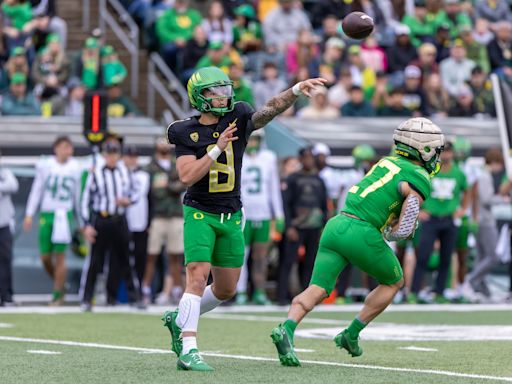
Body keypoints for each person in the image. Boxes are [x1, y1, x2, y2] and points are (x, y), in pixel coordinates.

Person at [162, 66, 325, 371]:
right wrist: (216, 148)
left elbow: (269, 110)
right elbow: (186, 176)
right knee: (197, 277)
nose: (224, 96)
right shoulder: (186, 131)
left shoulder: (238, 116)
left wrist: (294, 90)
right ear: (199, 97)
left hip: (232, 213)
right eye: (215, 91)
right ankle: (189, 347)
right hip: (200, 211)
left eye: (225, 89)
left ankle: (178, 318)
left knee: (225, 289)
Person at [271, 117, 444, 365]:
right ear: (423, 148)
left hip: (337, 224)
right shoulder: (418, 174)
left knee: (318, 288)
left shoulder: (387, 161)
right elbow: (409, 211)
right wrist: (395, 232)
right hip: (362, 231)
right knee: (394, 282)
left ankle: (287, 328)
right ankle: (351, 334)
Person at [79, 140, 140, 311]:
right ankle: (86, 299)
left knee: (126, 259)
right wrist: (86, 225)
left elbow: (136, 190)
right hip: (102, 220)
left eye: (115, 153)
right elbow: (85, 201)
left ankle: (135, 297)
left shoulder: (124, 172)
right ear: (105, 155)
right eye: (109, 153)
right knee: (95, 261)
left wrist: (128, 200)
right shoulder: (95, 173)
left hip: (119, 219)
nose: (112, 157)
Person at [409, 141, 469, 304]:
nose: (446, 155)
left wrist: (462, 209)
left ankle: (440, 292)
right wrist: (419, 211)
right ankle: (414, 291)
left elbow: (468, 190)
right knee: (423, 256)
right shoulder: (429, 172)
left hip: (449, 218)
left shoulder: (458, 173)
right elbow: (415, 190)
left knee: (446, 257)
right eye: (443, 152)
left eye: (449, 152)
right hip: (431, 218)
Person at [24, 136, 81, 305]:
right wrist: (29, 214)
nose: (67, 150)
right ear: (56, 148)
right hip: (47, 213)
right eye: (64, 147)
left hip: (64, 214)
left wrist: (82, 220)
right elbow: (37, 190)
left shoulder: (75, 167)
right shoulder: (46, 165)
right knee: (45, 257)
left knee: (60, 256)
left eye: (69, 147)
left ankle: (57, 295)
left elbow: (78, 196)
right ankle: (60, 285)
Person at [236, 130, 284, 305]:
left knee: (261, 257)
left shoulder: (269, 158)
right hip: (243, 214)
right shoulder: (237, 155)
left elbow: (273, 188)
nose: (253, 143)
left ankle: (259, 291)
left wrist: (278, 215)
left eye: (256, 139)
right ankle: (240, 291)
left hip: (263, 213)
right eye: (251, 139)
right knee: (241, 255)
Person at [278, 147, 328, 305]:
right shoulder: (293, 179)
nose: (308, 161)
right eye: (305, 158)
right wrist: (289, 226)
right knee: (288, 261)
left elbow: (324, 205)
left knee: (310, 263)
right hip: (297, 227)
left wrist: (323, 227)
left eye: (310, 157)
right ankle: (282, 296)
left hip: (314, 227)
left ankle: (307, 296)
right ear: (300, 160)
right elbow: (286, 204)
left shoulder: (318, 180)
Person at [142, 139, 187, 306]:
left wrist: (170, 186)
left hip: (175, 214)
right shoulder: (150, 167)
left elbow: (184, 182)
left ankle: (176, 290)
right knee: (151, 254)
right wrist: (172, 186)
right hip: (158, 215)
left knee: (175, 256)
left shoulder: (177, 163)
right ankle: (145, 289)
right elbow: (155, 191)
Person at [123, 145, 151, 295]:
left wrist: (150, 221)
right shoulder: (119, 174)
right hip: (122, 222)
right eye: (129, 156)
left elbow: (150, 198)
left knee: (141, 257)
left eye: (134, 156)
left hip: (140, 222)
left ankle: (139, 290)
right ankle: (127, 291)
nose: (132, 160)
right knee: (122, 257)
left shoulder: (144, 175)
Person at [0, 151, 19, 306]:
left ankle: (6, 296)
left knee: (5, 260)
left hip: (4, 223)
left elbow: (13, 185)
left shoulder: (5, 173)